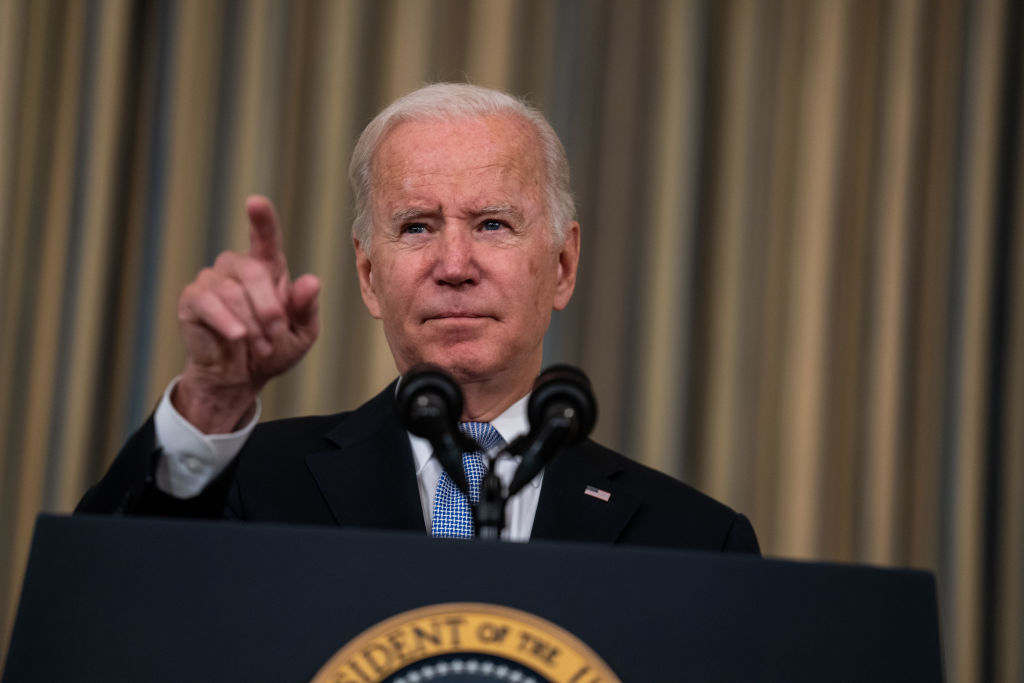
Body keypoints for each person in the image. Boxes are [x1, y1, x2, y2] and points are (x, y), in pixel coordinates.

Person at [77, 83, 759, 553]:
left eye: (492, 224)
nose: (454, 264)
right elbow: (101, 617)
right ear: (369, 275)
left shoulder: (693, 541)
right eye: (416, 226)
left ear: (562, 265)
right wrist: (212, 398)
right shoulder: (250, 487)